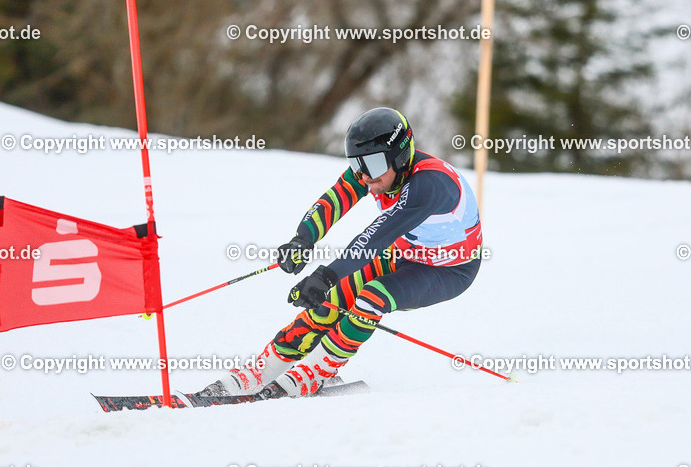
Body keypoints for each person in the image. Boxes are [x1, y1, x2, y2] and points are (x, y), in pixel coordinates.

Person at [200, 107, 483, 398]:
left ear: (399, 156)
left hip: (447, 270)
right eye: (356, 165)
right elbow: (336, 199)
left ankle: (315, 372)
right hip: (404, 254)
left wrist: (325, 275)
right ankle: (263, 369)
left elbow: (376, 236)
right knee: (330, 303)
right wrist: (303, 240)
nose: (364, 176)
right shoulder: (378, 171)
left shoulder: (429, 185)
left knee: (372, 298)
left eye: (370, 166)